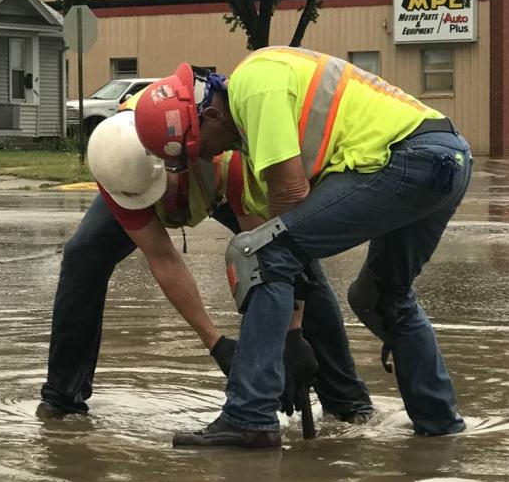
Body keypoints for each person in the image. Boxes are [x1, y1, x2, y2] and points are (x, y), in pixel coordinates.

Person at [132, 50, 473, 448]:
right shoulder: (252, 128)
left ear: (210, 117)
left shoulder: (254, 84)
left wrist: (289, 331)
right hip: (448, 157)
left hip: (407, 159)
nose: (204, 159)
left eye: (196, 149)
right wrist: (293, 328)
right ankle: (439, 427)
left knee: (255, 252)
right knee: (380, 296)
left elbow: (289, 199)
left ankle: (249, 415)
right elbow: (289, 229)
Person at [39, 69, 374, 432]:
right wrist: (215, 343)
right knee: (82, 256)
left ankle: (346, 401)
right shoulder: (116, 161)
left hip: (215, 177)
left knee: (301, 267)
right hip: (144, 176)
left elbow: (277, 256)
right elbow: (163, 258)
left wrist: (290, 335)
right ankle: (63, 398)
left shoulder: (224, 154)